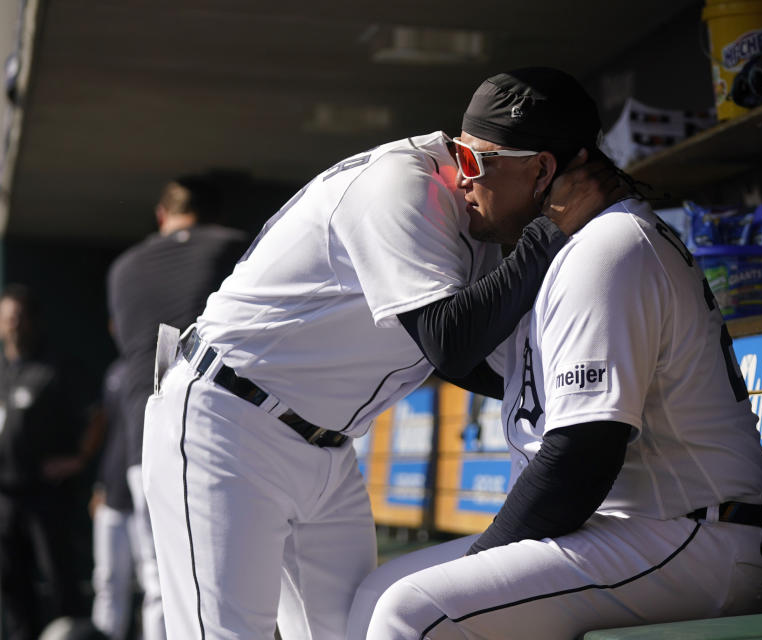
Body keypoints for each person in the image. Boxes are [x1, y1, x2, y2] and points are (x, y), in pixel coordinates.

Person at [351, 67, 762, 640]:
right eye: (457, 154)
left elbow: (582, 456)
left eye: (477, 161)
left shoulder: (609, 249)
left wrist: (483, 560)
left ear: (541, 169)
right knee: (376, 596)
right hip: (633, 531)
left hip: (698, 539)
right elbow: (460, 355)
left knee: (416, 611)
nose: (459, 178)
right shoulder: (565, 250)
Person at [141, 124, 623, 638]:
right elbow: (450, 344)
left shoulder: (471, 225)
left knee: (352, 630)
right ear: (536, 168)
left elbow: (482, 360)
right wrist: (549, 231)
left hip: (327, 447)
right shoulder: (401, 183)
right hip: (229, 416)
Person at [106, 177, 250, 640]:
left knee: (158, 582)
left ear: (161, 215)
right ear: (212, 215)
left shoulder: (123, 267)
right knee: (230, 585)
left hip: (140, 434)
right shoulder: (230, 245)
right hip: (218, 430)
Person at [0, 285, 90, 640]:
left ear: (32, 321)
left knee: (58, 578)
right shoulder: (3, 371)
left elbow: (96, 414)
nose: (13, 325)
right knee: (11, 582)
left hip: (45, 495)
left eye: (19, 318)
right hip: (5, 498)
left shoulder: (55, 367)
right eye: (7, 319)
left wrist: (79, 459)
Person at [89, 357, 138, 640]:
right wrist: (98, 484)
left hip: (145, 494)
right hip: (111, 492)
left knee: (155, 583)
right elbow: (105, 429)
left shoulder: (163, 361)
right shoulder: (115, 372)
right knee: (107, 581)